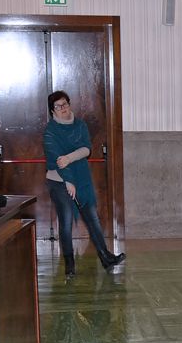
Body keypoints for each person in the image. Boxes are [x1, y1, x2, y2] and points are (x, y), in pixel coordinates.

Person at [44, 91, 124, 278]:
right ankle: (70, 266)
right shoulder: (50, 132)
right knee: (65, 222)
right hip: (58, 181)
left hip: (82, 179)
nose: (63, 109)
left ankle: (106, 257)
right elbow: (57, 160)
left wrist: (70, 157)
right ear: (52, 111)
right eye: (58, 106)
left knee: (92, 218)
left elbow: (86, 149)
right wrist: (68, 181)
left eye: (65, 104)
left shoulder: (80, 125)